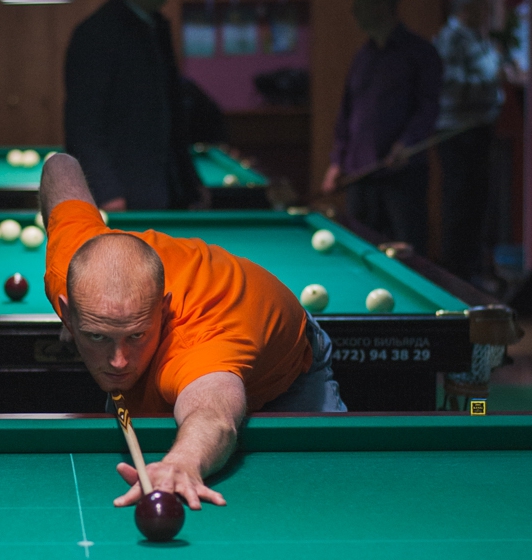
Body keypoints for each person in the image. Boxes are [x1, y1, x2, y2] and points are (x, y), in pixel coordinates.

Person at [40, 151, 345, 514]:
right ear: (68, 312)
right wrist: (82, 326)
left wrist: (184, 462)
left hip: (286, 369)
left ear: (164, 310)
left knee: (326, 488)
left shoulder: (197, 347)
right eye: (98, 336)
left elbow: (214, 414)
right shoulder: (69, 261)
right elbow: (60, 166)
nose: (118, 361)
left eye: (136, 336)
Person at [63, 0, 202, 211]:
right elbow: (82, 125)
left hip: (167, 191)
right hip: (126, 196)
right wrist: (106, 192)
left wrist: (191, 183)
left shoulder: (157, 27)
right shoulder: (96, 34)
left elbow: (172, 116)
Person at [320, 0, 441, 251]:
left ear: (381, 6)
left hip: (402, 176)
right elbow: (347, 113)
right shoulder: (363, 56)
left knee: (408, 254)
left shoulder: (420, 53)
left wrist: (407, 143)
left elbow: (428, 108)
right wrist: (337, 162)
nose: (353, 11)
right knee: (360, 248)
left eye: (359, 3)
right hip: (360, 175)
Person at [434, 0, 505, 285]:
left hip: (477, 130)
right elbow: (451, 85)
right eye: (484, 6)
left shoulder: (476, 37)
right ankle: (456, 277)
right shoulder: (452, 38)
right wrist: (492, 81)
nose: (488, 12)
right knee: (460, 206)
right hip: (458, 133)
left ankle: (472, 273)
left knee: (477, 206)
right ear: (466, 7)